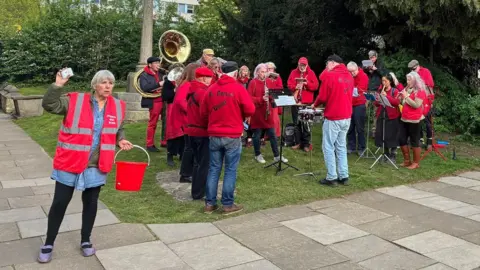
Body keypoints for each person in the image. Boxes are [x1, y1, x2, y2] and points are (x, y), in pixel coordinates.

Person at [38, 69, 133, 263]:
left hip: (96, 165)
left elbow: (118, 128)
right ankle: (48, 242)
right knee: (60, 203)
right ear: (95, 85)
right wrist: (58, 85)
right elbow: (49, 104)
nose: (108, 86)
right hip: (70, 161)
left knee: (91, 203)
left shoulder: (117, 106)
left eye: (111, 83)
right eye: (104, 82)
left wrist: (120, 140)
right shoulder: (74, 101)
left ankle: (85, 240)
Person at [200, 61, 255, 215]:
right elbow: (250, 108)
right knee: (230, 169)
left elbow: (203, 112)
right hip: (232, 134)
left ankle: (209, 204)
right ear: (236, 73)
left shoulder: (211, 88)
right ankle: (227, 204)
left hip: (214, 134)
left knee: (214, 169)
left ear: (221, 72)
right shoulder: (238, 88)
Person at [312, 55, 353, 186]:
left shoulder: (330, 76)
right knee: (341, 146)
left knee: (328, 146)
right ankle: (344, 175)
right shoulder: (349, 76)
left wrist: (315, 104)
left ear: (332, 63)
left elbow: (322, 96)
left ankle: (331, 177)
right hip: (346, 115)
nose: (326, 67)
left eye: (327, 64)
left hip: (334, 115)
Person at [248, 63, 288, 164]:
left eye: (265, 72)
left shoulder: (269, 81)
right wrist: (260, 99)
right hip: (257, 113)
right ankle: (258, 154)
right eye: (262, 72)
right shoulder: (253, 82)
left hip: (268, 111)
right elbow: (249, 98)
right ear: (257, 72)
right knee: (257, 135)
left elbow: (274, 94)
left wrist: (270, 96)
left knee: (272, 134)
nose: (264, 74)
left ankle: (277, 155)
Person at [185, 67, 214, 199]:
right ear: (203, 78)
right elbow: (207, 113)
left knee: (197, 163)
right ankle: (199, 193)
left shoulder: (192, 89)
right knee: (204, 163)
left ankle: (196, 191)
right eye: (209, 78)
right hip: (202, 132)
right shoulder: (202, 92)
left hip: (191, 130)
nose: (211, 80)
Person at [166, 63, 200, 168]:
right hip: (182, 117)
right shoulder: (186, 85)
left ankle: (183, 160)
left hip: (185, 116)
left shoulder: (187, 84)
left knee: (185, 143)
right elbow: (181, 101)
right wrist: (192, 110)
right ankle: (173, 158)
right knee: (180, 140)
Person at [287, 57, 319, 152]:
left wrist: (307, 83)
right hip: (296, 102)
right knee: (296, 123)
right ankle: (298, 142)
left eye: (304, 65)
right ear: (298, 64)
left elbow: (316, 86)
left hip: (306, 102)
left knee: (305, 123)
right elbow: (289, 84)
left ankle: (306, 144)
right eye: (301, 65)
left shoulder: (311, 73)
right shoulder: (293, 72)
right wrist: (294, 86)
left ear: (307, 65)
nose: (302, 67)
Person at [398, 72, 427, 169]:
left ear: (415, 80)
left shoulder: (420, 91)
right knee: (401, 139)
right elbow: (404, 102)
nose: (407, 81)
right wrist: (400, 97)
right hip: (404, 118)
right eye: (407, 79)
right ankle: (407, 160)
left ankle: (416, 162)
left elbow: (416, 105)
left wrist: (406, 96)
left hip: (414, 120)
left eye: (409, 80)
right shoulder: (407, 89)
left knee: (414, 141)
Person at [140, 57, 165, 152]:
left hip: (163, 99)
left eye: (159, 63)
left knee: (165, 122)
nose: (158, 65)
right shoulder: (144, 75)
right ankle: (149, 144)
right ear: (150, 65)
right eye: (156, 63)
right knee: (153, 123)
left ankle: (164, 141)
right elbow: (145, 88)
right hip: (154, 101)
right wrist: (159, 84)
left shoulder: (161, 73)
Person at [408, 59, 435, 149]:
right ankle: (419, 140)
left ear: (418, 66)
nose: (412, 71)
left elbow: (430, 86)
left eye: (414, 69)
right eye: (411, 70)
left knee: (427, 121)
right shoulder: (412, 73)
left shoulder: (426, 72)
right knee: (417, 120)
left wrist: (431, 100)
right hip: (417, 98)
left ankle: (429, 141)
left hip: (426, 98)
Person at [374, 74, 401, 163]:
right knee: (383, 134)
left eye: (385, 81)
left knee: (392, 135)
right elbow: (376, 104)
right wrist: (378, 98)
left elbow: (397, 102)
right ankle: (385, 154)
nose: (384, 82)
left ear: (390, 81)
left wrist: (387, 96)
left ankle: (393, 154)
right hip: (382, 114)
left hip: (392, 116)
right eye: (382, 81)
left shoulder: (395, 91)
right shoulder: (380, 90)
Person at [346, 61, 369, 155]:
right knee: (350, 127)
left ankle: (361, 147)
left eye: (353, 71)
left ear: (357, 68)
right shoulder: (349, 76)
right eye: (350, 72)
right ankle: (351, 146)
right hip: (349, 104)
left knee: (360, 127)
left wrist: (349, 90)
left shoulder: (363, 76)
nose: (352, 73)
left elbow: (359, 90)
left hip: (359, 104)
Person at [265, 61, 283, 138]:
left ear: (273, 69)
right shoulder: (264, 76)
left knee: (274, 117)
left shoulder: (277, 77)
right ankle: (266, 135)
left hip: (274, 98)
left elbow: (280, 87)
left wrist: (272, 90)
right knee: (265, 116)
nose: (269, 70)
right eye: (268, 68)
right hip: (265, 98)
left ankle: (275, 134)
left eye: (270, 68)